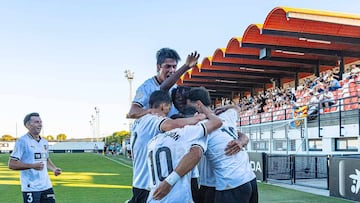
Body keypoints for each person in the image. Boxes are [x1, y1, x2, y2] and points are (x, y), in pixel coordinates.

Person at [128, 90, 205, 203]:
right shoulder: (153, 119)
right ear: (164, 106)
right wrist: (198, 119)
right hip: (148, 185)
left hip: (138, 182)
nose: (168, 113)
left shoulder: (138, 122)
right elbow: (171, 125)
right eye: (169, 108)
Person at [187, 87, 258, 203]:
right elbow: (236, 108)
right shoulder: (226, 116)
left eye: (191, 107)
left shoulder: (202, 126)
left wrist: (170, 180)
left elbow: (195, 154)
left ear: (199, 105)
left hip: (229, 183)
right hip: (248, 178)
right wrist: (223, 108)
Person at [146, 100, 222, 203]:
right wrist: (205, 113)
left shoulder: (153, 141)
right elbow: (217, 122)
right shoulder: (187, 132)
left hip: (154, 198)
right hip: (175, 197)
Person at [127, 47, 200, 119]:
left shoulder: (175, 87)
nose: (172, 70)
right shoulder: (146, 87)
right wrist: (153, 111)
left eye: (174, 67)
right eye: (167, 66)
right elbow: (132, 112)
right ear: (158, 67)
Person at [8, 112, 62, 203]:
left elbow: (46, 159)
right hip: (31, 188)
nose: (40, 124)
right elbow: (12, 164)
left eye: (40, 122)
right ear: (28, 125)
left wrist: (54, 169)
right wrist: (32, 166)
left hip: (46, 186)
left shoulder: (44, 142)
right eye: (36, 122)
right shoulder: (22, 141)